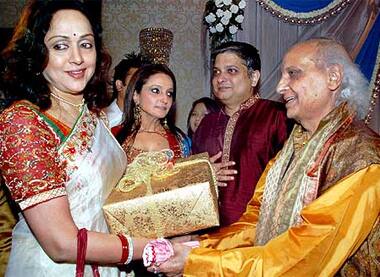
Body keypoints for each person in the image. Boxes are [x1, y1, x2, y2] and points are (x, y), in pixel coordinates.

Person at [152, 38, 380, 276]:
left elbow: (303, 256)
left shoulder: (360, 157)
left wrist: (197, 262)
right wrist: (197, 246)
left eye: (293, 74)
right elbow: (256, 223)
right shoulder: (296, 146)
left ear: (333, 77)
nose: (281, 87)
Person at [0, 1, 154, 275]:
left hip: (107, 261)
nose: (78, 58)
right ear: (36, 53)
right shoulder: (23, 122)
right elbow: (60, 243)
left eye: (86, 44)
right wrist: (149, 248)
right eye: (60, 46)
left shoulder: (95, 117)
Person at [192, 41, 291, 226]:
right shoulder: (206, 124)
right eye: (216, 72)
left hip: (257, 231)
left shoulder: (277, 116)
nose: (220, 78)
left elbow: (291, 178)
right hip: (208, 233)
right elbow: (191, 180)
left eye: (231, 71)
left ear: (253, 77)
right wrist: (202, 173)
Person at [117, 64, 191, 163]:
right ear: (136, 95)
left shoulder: (181, 141)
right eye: (156, 90)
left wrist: (203, 168)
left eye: (169, 93)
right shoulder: (115, 137)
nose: (165, 99)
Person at [105, 52, 152, 134]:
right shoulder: (101, 121)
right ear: (119, 85)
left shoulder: (150, 123)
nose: (140, 88)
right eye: (135, 81)